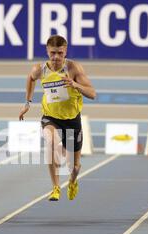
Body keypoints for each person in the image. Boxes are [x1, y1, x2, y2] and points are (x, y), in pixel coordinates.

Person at [19, 35, 96, 201]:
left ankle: (72, 181)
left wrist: (75, 85)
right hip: (50, 117)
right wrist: (27, 102)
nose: (56, 57)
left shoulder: (73, 69)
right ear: (47, 51)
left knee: (74, 167)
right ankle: (55, 187)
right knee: (51, 142)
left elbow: (93, 93)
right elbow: (30, 79)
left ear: (65, 51)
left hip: (72, 119)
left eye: (60, 53)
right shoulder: (40, 69)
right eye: (53, 53)